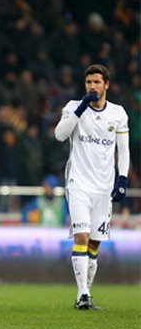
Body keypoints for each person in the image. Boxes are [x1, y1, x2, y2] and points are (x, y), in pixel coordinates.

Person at [54, 64, 130, 311]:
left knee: (95, 243)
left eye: (97, 82)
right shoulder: (74, 107)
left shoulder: (118, 113)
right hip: (78, 184)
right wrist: (80, 109)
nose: (92, 87)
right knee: (82, 236)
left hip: (104, 187)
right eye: (89, 82)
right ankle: (83, 295)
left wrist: (122, 179)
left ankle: (85, 292)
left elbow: (124, 150)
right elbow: (59, 135)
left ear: (106, 85)